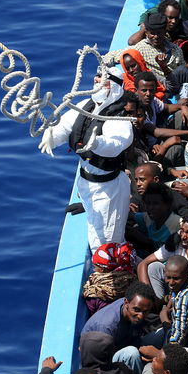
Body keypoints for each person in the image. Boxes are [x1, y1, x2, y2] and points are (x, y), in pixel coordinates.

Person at [38, 70, 133, 252]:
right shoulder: (86, 105)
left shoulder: (119, 117)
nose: (97, 81)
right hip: (86, 183)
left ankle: (114, 272)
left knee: (106, 241)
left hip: (108, 189)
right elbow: (65, 125)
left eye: (102, 80)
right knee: (96, 230)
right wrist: (51, 137)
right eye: (96, 77)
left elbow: (117, 143)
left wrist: (97, 143)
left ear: (112, 86)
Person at [138, 209, 188, 299]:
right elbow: (143, 264)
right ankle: (156, 302)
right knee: (154, 267)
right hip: (173, 290)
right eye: (182, 230)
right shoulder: (176, 241)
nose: (183, 236)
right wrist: (148, 295)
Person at [82, 281, 156, 374]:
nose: (141, 316)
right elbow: (100, 364)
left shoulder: (133, 304)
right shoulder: (106, 327)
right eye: (137, 310)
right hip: (105, 359)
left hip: (126, 342)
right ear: (126, 303)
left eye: (145, 312)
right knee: (131, 353)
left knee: (160, 334)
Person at [82, 242, 138, 314]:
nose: (94, 270)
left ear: (102, 269)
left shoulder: (95, 292)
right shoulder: (132, 279)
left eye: (95, 266)